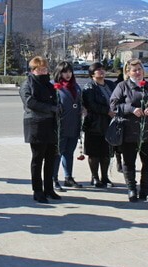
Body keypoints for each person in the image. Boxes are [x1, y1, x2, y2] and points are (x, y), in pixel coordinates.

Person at [110, 59, 148, 202]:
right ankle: (132, 189)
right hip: (129, 130)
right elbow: (114, 105)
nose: (138, 72)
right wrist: (131, 109)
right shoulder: (122, 86)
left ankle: (145, 190)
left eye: (140, 69)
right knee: (129, 161)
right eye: (134, 70)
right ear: (128, 72)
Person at [19, 56, 61, 203]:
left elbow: (56, 98)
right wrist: (51, 108)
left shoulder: (49, 84)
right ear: (33, 70)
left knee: (51, 158)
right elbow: (30, 102)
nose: (43, 71)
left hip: (50, 124)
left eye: (45, 68)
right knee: (38, 158)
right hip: (36, 124)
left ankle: (49, 189)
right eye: (40, 69)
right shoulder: (27, 84)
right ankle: (37, 190)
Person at [82, 63, 117, 188]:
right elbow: (91, 104)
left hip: (110, 124)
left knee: (106, 152)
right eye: (98, 70)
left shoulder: (111, 84)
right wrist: (107, 111)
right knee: (94, 153)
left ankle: (105, 177)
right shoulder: (89, 87)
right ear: (92, 73)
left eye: (102, 69)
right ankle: (95, 177)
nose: (101, 72)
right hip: (95, 124)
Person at [51, 61, 83, 191]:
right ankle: (53, 179)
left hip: (74, 124)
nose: (68, 74)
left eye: (70, 71)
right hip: (60, 126)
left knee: (69, 152)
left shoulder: (76, 86)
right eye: (65, 72)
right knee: (57, 153)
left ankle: (68, 177)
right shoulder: (55, 87)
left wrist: (83, 108)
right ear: (59, 72)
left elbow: (80, 102)